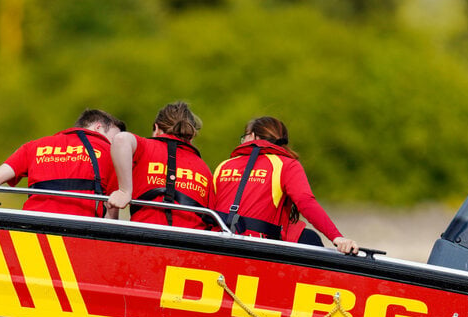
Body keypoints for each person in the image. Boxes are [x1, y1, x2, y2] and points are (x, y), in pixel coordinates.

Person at [209, 116, 358, 254]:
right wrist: (336, 237)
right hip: (260, 247)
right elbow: (306, 202)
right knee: (310, 238)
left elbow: (209, 210)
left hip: (218, 243)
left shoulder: (224, 166)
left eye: (244, 136)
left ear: (254, 136)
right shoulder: (287, 164)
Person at [106, 101, 213, 230]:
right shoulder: (204, 168)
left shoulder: (145, 148)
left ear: (156, 129)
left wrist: (124, 191)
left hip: (146, 237)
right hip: (189, 244)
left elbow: (121, 139)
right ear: (190, 137)